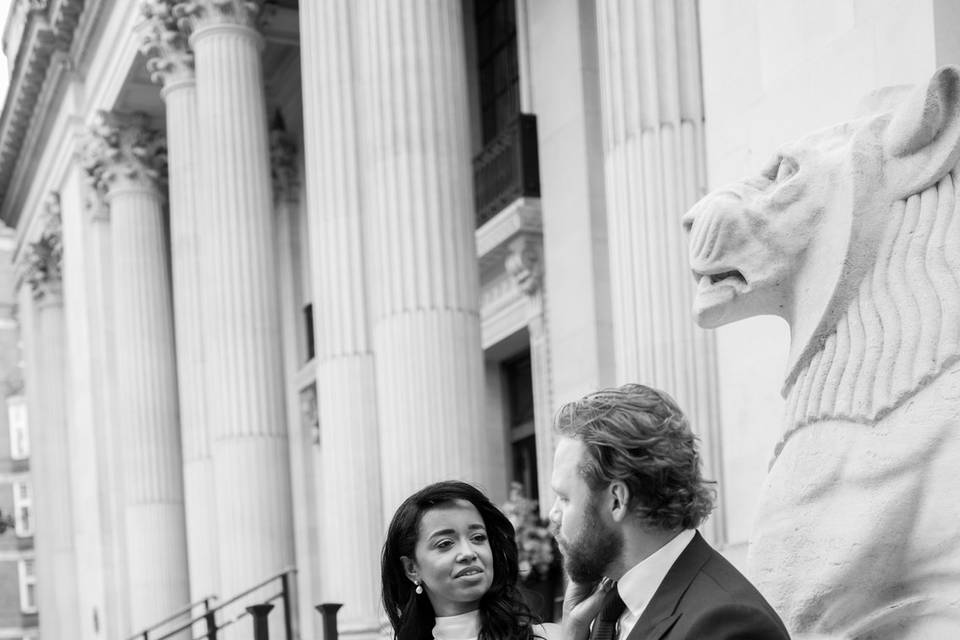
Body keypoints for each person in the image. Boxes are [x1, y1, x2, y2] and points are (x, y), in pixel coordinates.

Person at [549, 383, 790, 640]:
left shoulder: (729, 627)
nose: (553, 514)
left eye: (564, 498)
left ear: (617, 500)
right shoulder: (602, 610)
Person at [382, 480, 559, 640]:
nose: (468, 553)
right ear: (412, 568)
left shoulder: (554, 636)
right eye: (445, 544)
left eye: (478, 537)